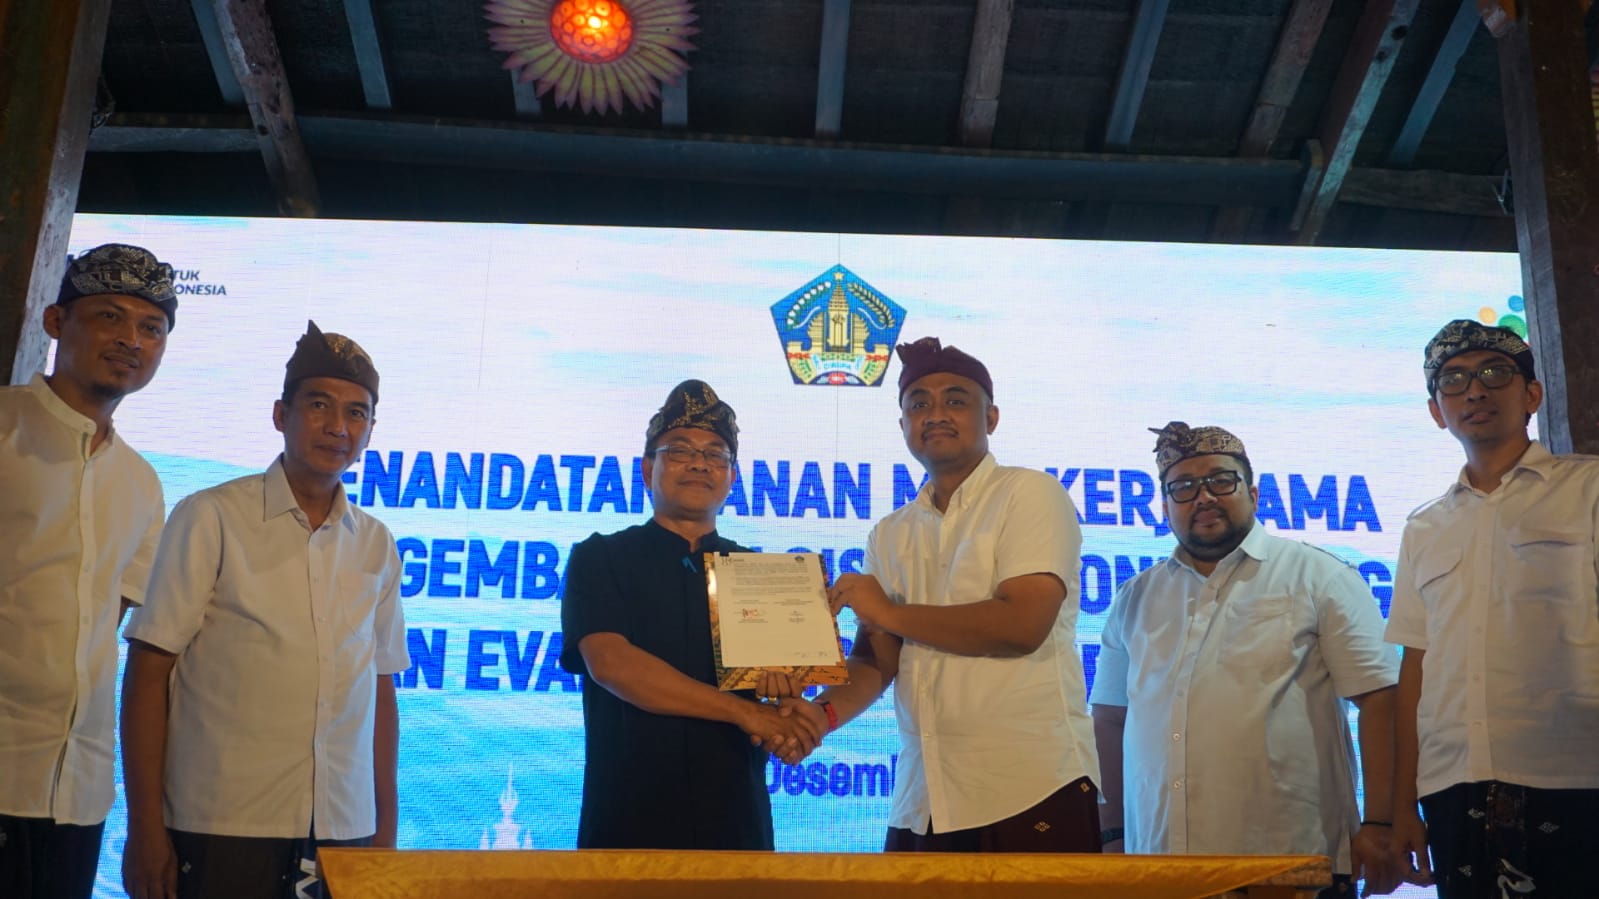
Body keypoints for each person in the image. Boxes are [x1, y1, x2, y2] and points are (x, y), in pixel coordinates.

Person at [120, 322, 409, 899]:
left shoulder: (376, 542)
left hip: (342, 829)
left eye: (356, 413)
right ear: (281, 415)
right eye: (319, 405)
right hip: (221, 823)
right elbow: (149, 672)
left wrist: (384, 833)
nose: (338, 427)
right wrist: (145, 828)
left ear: (370, 431)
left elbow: (379, 691)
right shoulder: (211, 516)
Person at [808, 336, 1100, 852]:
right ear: (903, 425)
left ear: (992, 418)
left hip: (1030, 787)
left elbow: (1021, 625)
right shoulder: (889, 533)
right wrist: (817, 716)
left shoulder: (1029, 493)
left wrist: (887, 611)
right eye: (919, 403)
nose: (936, 414)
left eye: (956, 400)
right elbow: (877, 661)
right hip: (922, 798)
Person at [1090, 422, 1402, 898]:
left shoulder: (1318, 576)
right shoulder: (1136, 597)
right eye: (1183, 487)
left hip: (1290, 866)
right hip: (1159, 866)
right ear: (1164, 506)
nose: (1203, 497)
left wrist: (1381, 822)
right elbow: (1111, 720)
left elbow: (1381, 699)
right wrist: (1113, 834)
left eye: (1220, 481)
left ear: (1253, 494)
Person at [559, 379, 821, 850]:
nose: (699, 463)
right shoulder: (600, 558)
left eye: (715, 454)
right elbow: (613, 665)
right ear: (648, 469)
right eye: (679, 450)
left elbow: (784, 702)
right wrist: (746, 714)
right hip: (626, 824)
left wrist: (790, 715)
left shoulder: (761, 574)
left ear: (732, 477)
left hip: (736, 824)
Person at [1386, 320, 1599, 898]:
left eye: (1493, 373)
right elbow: (1416, 669)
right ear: (1437, 412)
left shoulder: (1587, 490)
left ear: (1532, 395)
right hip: (1454, 786)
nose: (1474, 391)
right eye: (1453, 381)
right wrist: (1402, 806)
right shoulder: (1424, 526)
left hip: (1577, 776)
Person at [0, 244, 177, 899]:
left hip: (78, 791)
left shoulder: (141, 481)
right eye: (109, 317)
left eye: (151, 327)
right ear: (56, 321)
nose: (132, 339)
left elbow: (106, 626)